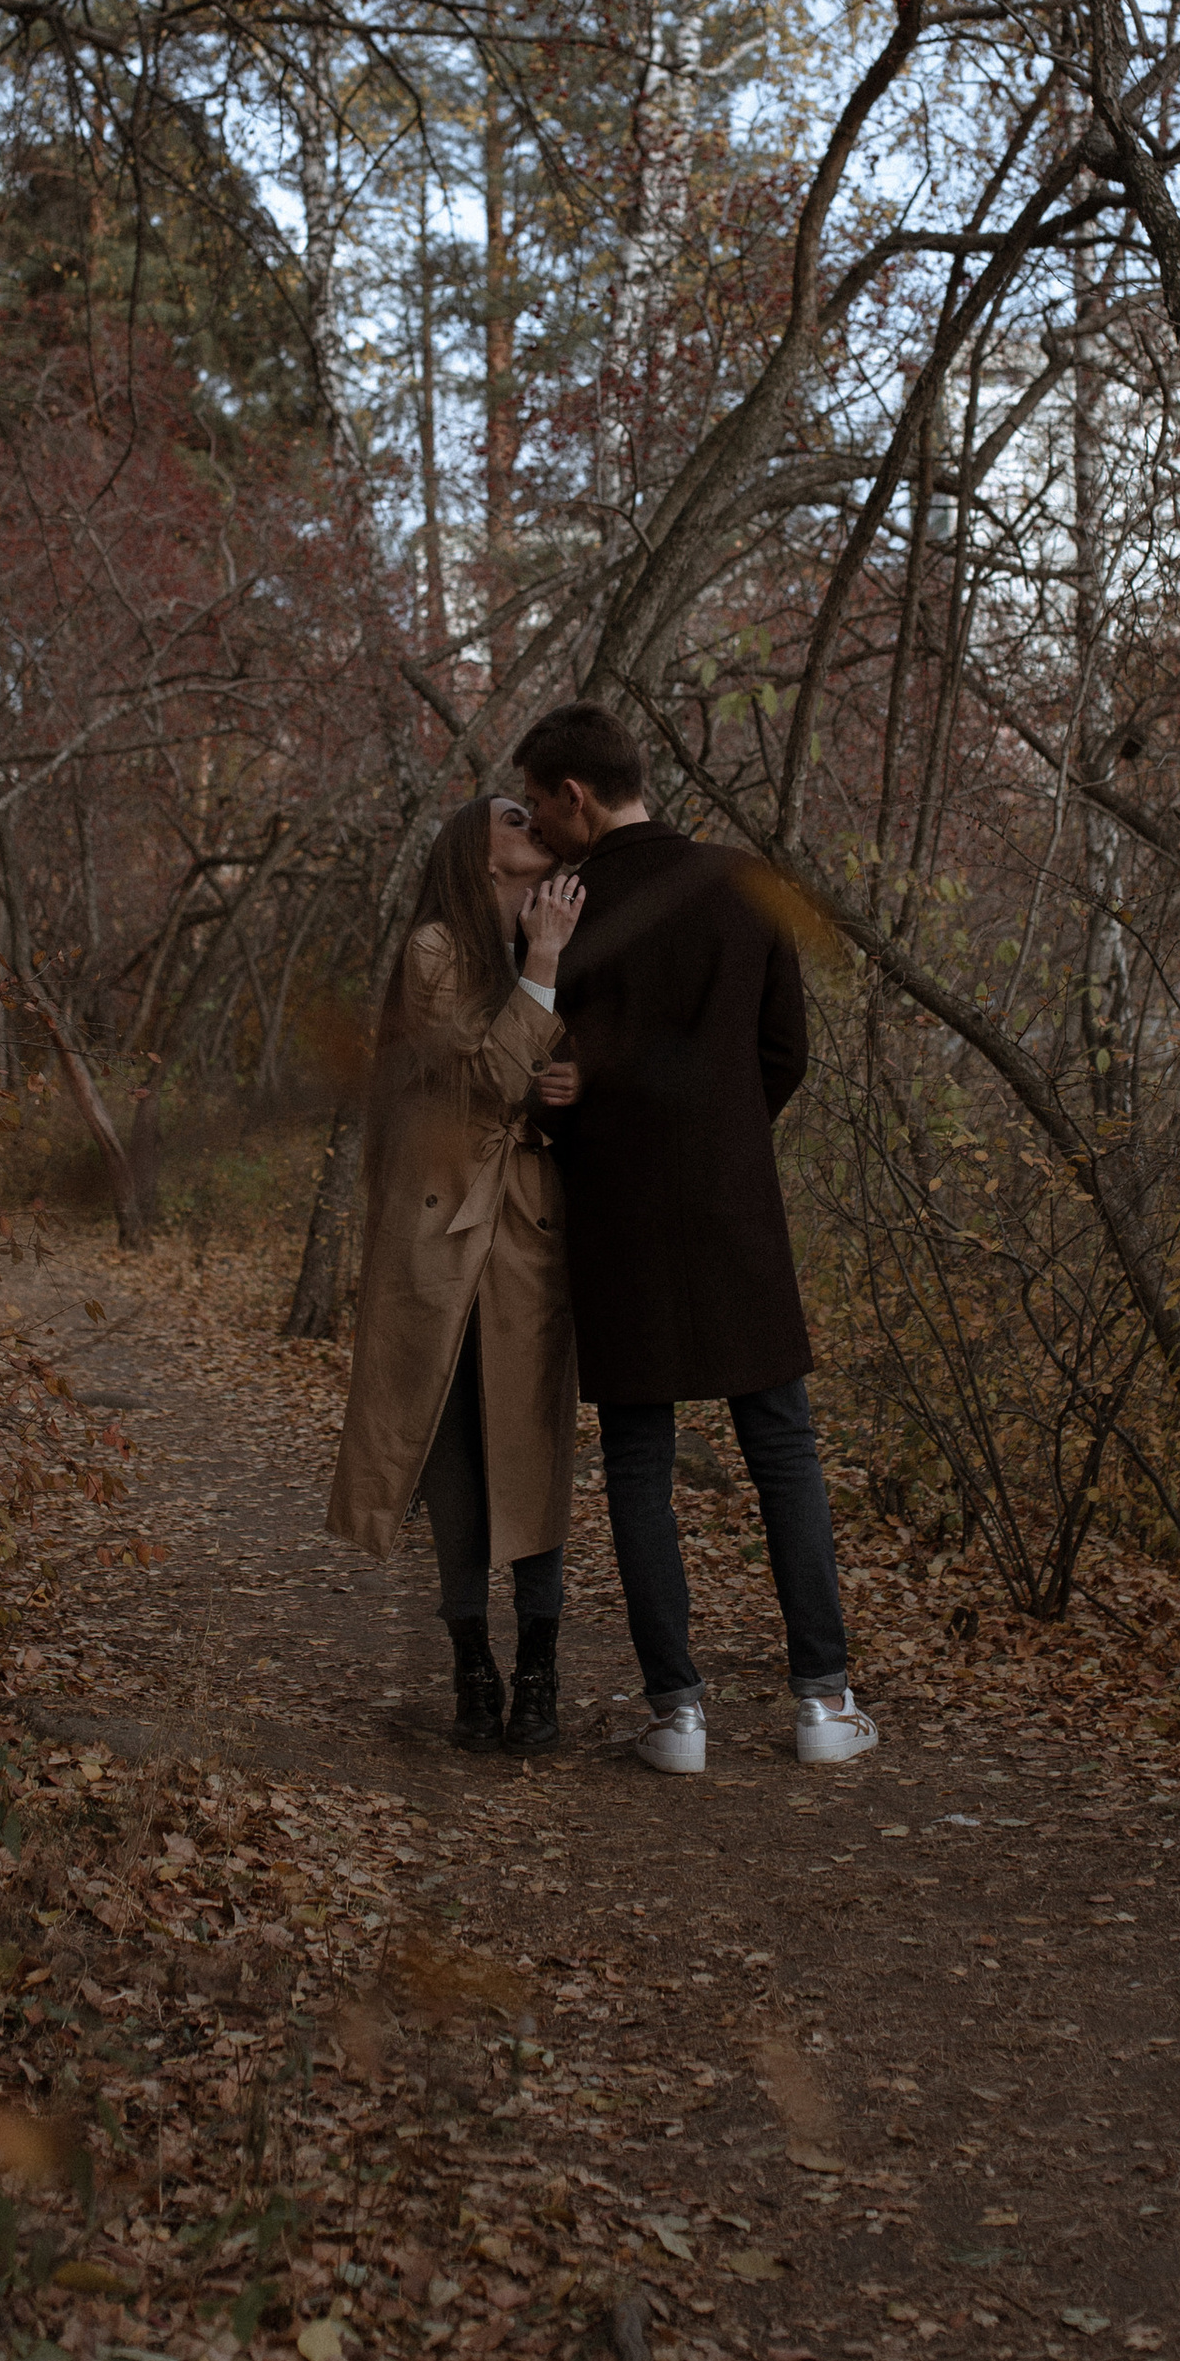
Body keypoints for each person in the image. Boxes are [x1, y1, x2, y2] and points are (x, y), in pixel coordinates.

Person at [512, 698, 877, 1775]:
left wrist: (585, 1117)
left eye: (538, 806)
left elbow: (534, 1076)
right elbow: (785, 1053)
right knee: (782, 1451)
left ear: (575, 795)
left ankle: (677, 1719)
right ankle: (822, 1706)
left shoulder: (556, 911)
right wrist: (718, 1135)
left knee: (637, 1462)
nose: (536, 827)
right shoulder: (744, 883)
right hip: (732, 1209)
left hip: (615, 1215)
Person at [326, 796, 586, 1754]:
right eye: (517, 817)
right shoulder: (436, 947)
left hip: (528, 1223)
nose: (537, 826)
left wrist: (583, 1078)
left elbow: (576, 1064)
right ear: (480, 853)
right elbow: (488, 1078)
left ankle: (542, 1669)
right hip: (437, 1224)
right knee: (451, 1454)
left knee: (533, 1439)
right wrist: (544, 964)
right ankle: (472, 1662)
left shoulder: (560, 924)